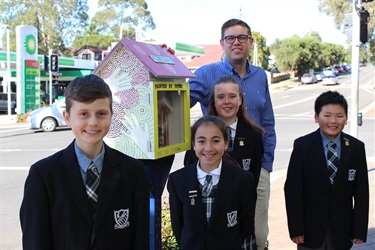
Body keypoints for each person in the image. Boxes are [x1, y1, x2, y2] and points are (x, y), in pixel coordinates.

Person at [20, 74, 150, 249]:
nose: (93, 122)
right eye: (83, 114)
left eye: (101, 113)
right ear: (67, 117)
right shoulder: (43, 175)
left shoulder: (133, 171)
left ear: (112, 115)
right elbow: (35, 241)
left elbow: (139, 238)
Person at [189, 18, 276, 249]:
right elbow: (177, 102)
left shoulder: (260, 75)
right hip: (216, 166)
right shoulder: (206, 74)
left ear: (250, 42)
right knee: (222, 233)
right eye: (230, 38)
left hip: (255, 165)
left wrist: (266, 164)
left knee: (256, 234)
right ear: (222, 43)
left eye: (242, 37)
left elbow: (267, 120)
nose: (236, 42)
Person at [284, 90, 369, 249]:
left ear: (346, 118)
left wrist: (359, 229)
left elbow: (362, 192)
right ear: (316, 117)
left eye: (339, 116)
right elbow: (293, 190)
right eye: (327, 115)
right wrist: (296, 228)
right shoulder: (303, 146)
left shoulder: (356, 148)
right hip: (309, 231)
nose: (333, 121)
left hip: (342, 231)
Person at [168, 115, 257, 250]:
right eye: (201, 141)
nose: (208, 148)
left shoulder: (243, 180)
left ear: (226, 143)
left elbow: (246, 225)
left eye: (216, 141)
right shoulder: (178, 180)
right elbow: (178, 226)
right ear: (193, 144)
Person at [185, 75, 264, 187]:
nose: (227, 102)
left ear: (240, 100)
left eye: (232, 96)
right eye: (221, 97)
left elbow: (253, 180)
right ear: (214, 101)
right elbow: (189, 169)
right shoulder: (199, 132)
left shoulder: (254, 135)